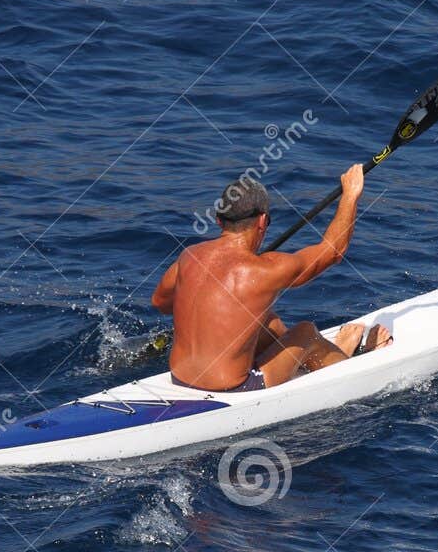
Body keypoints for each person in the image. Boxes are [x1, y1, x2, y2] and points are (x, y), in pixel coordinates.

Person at [152, 167, 391, 392]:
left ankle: (313, 359)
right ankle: (348, 362)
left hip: (179, 379)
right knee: (305, 332)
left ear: (219, 221)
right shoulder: (264, 270)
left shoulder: (189, 255)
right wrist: (350, 194)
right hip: (237, 389)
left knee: (269, 322)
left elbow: (160, 303)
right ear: (263, 221)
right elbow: (333, 251)